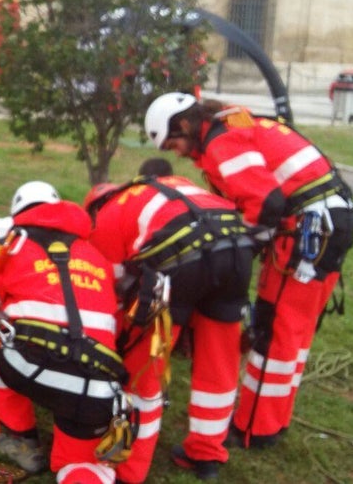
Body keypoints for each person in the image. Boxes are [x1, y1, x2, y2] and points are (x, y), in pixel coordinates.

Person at [144, 93, 353, 454]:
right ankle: (273, 420)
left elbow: (266, 202)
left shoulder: (222, 140)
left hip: (309, 232)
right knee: (294, 331)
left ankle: (254, 429)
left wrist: (242, 251)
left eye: (174, 142)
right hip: (330, 223)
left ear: (185, 125)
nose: (177, 152)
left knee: (275, 330)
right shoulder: (235, 125)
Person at [86, 158, 256, 482]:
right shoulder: (166, 188)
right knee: (220, 362)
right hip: (237, 249)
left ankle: (128, 470)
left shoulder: (108, 217)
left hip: (183, 262)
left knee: (144, 371)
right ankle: (206, 455)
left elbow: (110, 296)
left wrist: (120, 343)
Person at [0, 181, 126, 484]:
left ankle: (19, 436)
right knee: (79, 465)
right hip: (97, 381)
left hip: (33, 366)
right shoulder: (93, 252)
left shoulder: (13, 243)